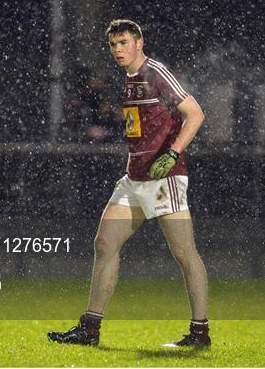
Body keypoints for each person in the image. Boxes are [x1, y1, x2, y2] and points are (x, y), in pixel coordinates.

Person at [48, 19, 209, 347]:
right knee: (104, 243)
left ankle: (200, 333)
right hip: (135, 179)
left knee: (184, 253)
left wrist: (173, 152)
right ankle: (89, 329)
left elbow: (195, 113)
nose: (118, 50)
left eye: (123, 42)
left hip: (164, 178)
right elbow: (140, 127)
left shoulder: (155, 72)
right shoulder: (127, 79)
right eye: (113, 45)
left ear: (139, 42)